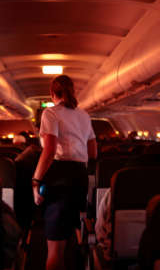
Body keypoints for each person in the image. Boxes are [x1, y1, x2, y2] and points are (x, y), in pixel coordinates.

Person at [32, 75, 97, 270]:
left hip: (60, 178)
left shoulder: (50, 114)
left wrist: (35, 180)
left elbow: (50, 150)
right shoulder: (84, 115)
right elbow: (93, 152)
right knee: (72, 236)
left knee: (55, 247)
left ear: (53, 94)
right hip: (80, 177)